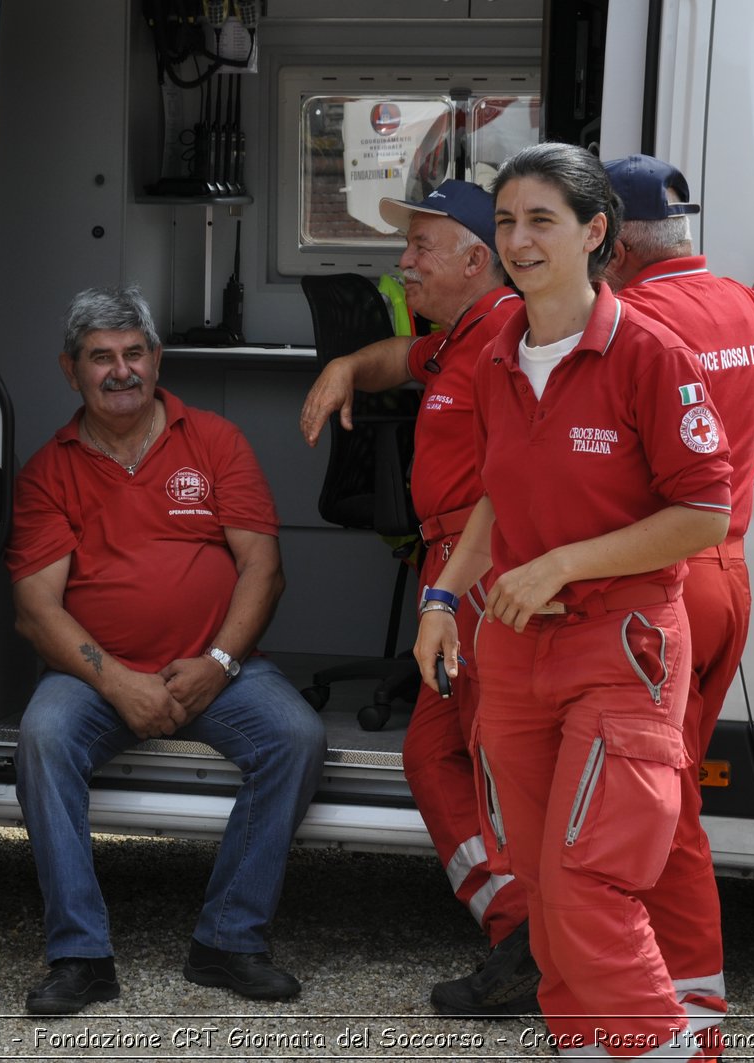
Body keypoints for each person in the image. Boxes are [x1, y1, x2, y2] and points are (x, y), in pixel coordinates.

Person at [414, 141, 733, 1059]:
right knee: (544, 891)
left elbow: (703, 514)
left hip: (620, 648)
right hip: (514, 655)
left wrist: (561, 566)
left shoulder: (649, 354)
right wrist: (442, 595)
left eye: (540, 219)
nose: (518, 239)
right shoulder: (497, 351)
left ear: (597, 232)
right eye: (506, 220)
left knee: (590, 884)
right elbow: (494, 496)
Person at [8, 286, 327, 1016]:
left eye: (133, 353)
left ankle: (228, 939)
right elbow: (36, 610)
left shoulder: (213, 439)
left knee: (296, 736)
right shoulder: (50, 470)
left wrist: (217, 664)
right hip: (97, 676)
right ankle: (79, 954)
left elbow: (262, 568)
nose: (120, 371)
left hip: (216, 664)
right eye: (100, 358)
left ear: (155, 358)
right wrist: (119, 683)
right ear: (70, 370)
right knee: (43, 737)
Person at [602, 153, 754, 1055]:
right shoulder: (740, 304)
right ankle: (684, 999)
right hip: (729, 576)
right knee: (674, 790)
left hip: (666, 580)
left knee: (657, 804)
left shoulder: (633, 323)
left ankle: (682, 1011)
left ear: (611, 244)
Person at [297, 179, 536, 1014]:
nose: (402, 267)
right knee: (434, 755)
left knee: (493, 764)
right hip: (446, 575)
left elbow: (519, 482)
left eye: (420, 250)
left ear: (479, 259)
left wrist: (452, 584)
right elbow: (401, 358)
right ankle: (523, 932)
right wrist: (345, 366)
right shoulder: (462, 332)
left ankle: (549, 942)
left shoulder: (512, 336)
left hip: (480, 579)